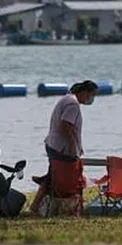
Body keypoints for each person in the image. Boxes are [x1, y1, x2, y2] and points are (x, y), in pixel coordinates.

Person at [30, 80, 99, 214]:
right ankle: (73, 205)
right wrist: (73, 147)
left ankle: (36, 204)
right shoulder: (73, 104)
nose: (92, 99)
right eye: (92, 95)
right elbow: (66, 125)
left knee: (52, 177)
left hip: (54, 145)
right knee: (69, 176)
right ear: (84, 92)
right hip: (62, 148)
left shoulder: (67, 99)